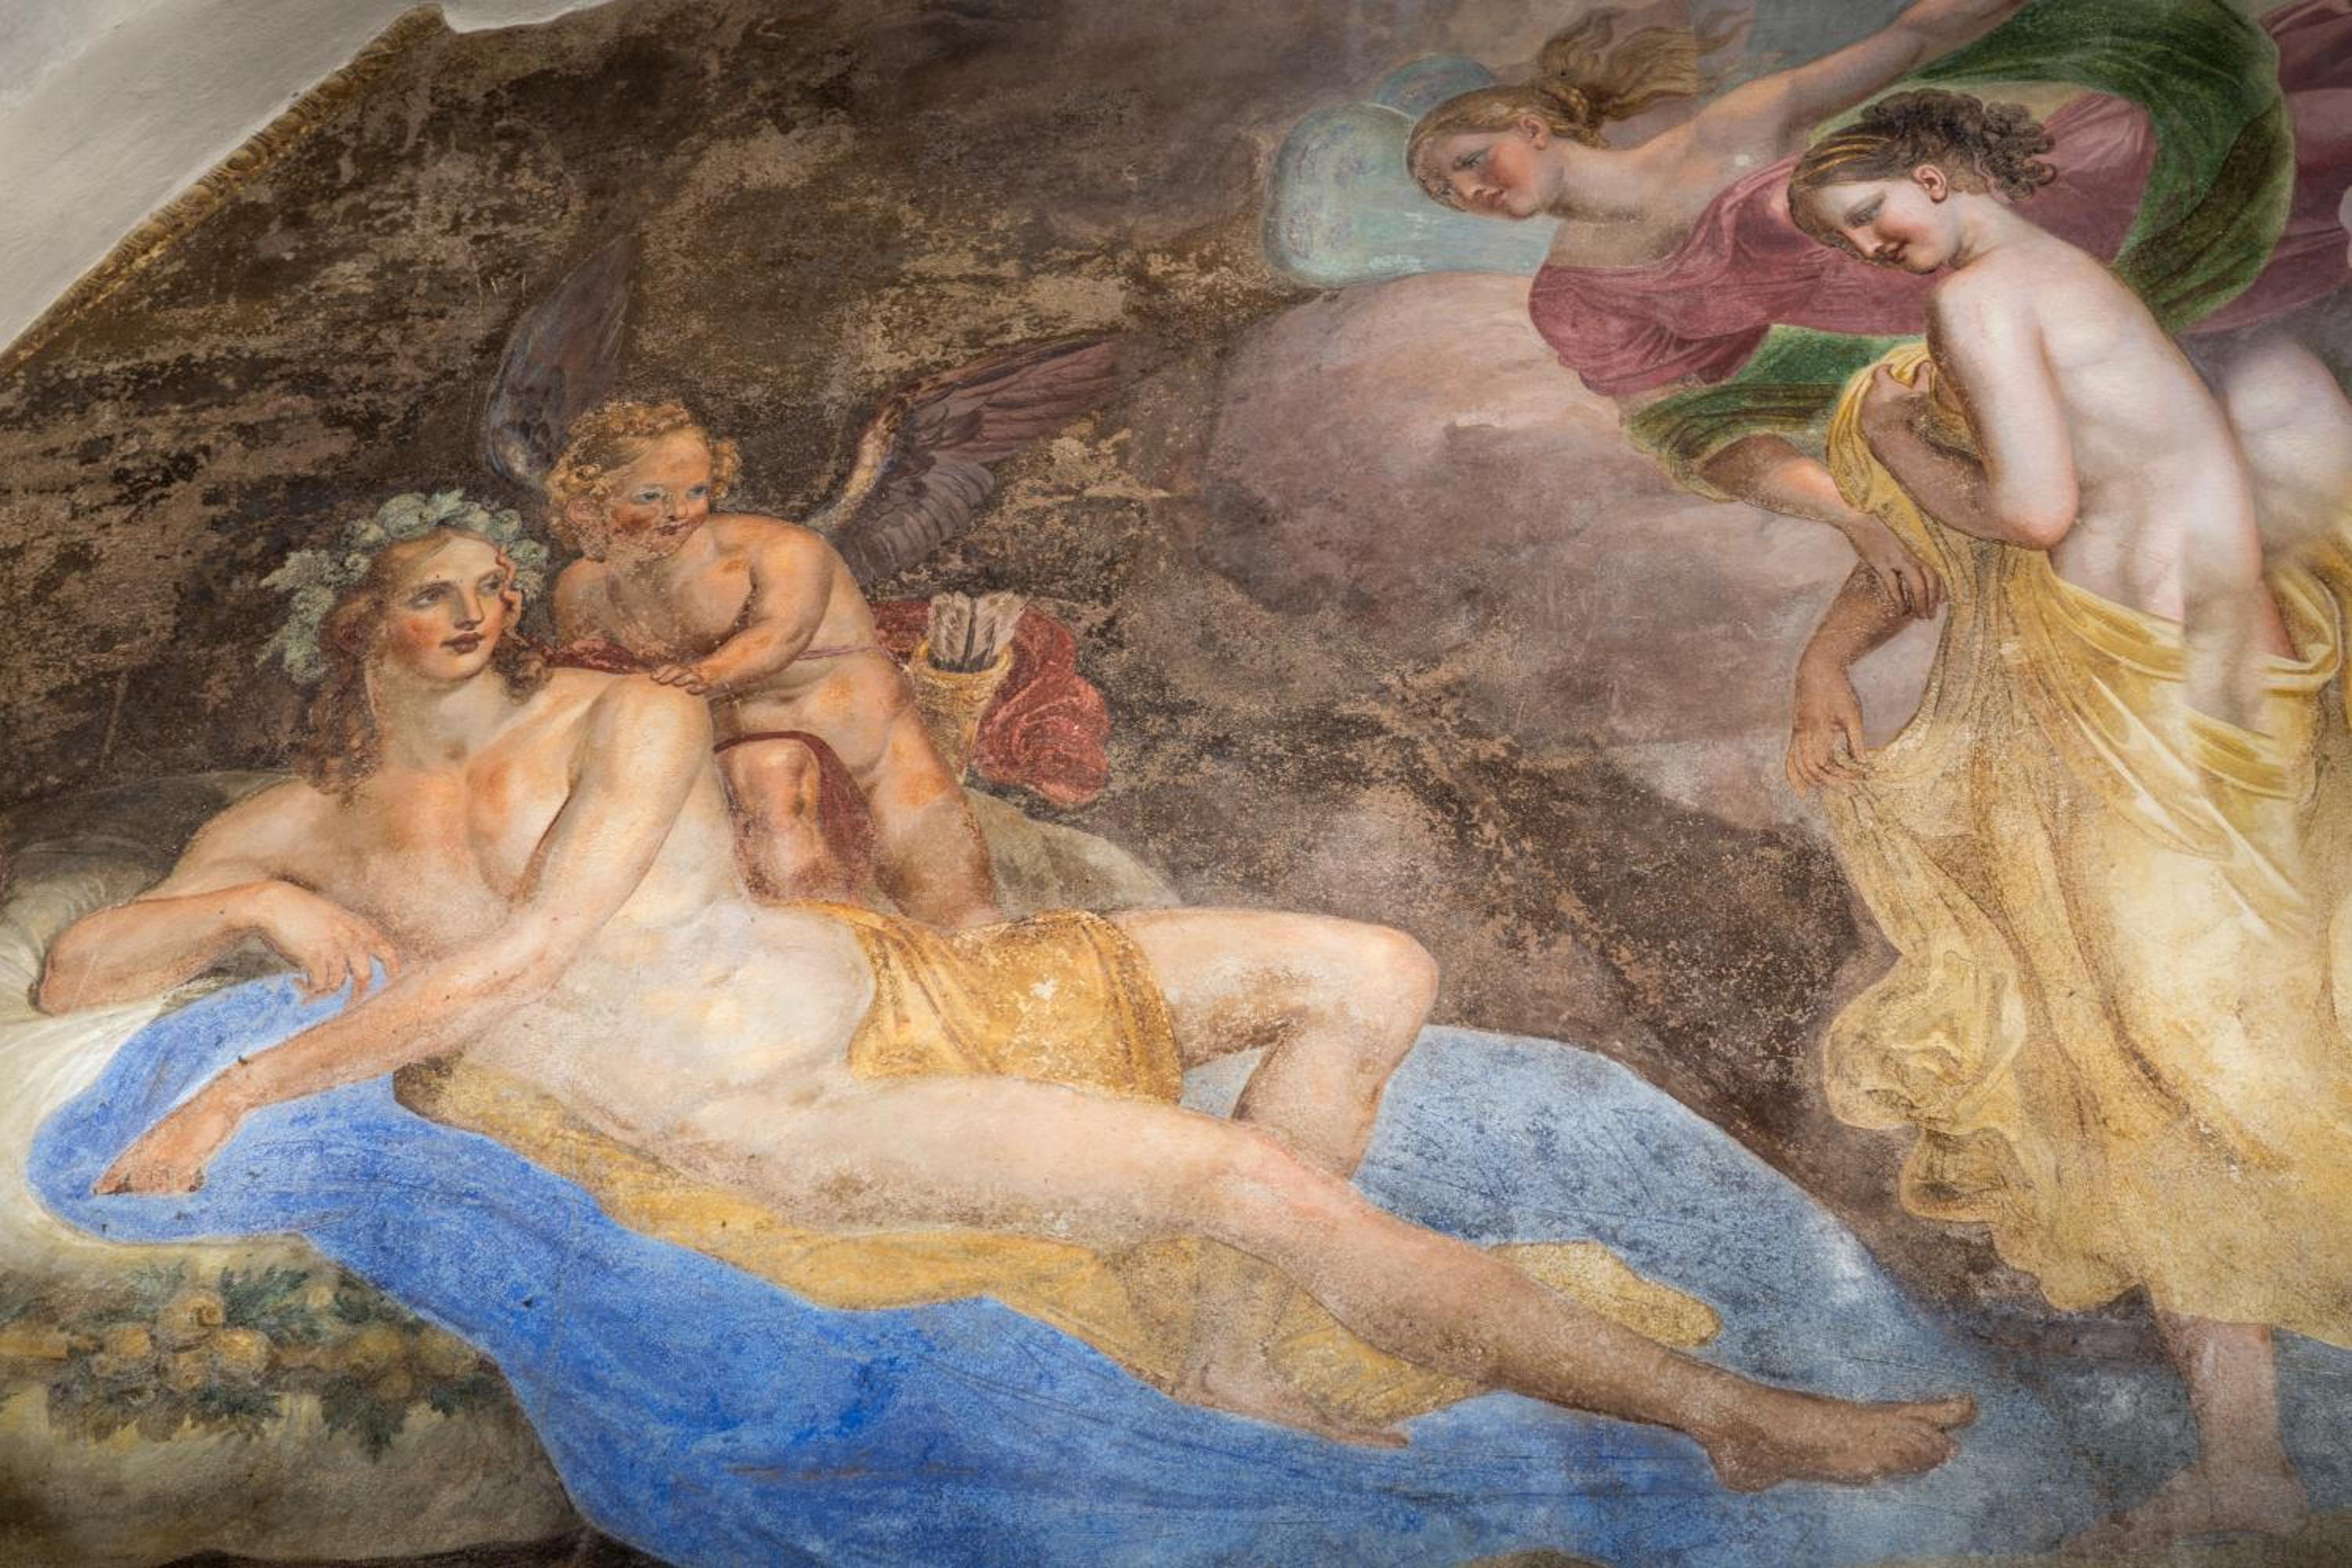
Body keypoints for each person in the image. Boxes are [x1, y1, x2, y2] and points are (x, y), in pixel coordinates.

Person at [36, 494, 1976, 1486]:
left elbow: (530, 948)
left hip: (889, 984)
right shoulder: (294, 817)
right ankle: (1727, 1414)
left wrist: (242, 1082)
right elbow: (76, 961)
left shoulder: (619, 716)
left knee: (1371, 964)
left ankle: (1230, 1344)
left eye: (488, 582)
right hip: (779, 1108)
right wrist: (262, 908)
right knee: (1245, 1176)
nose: (477, 612)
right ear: (354, 624)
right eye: (430, 591)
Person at [1780, 90, 2352, 1552]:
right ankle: (2250, 1461)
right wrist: (1832, 645)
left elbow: (2029, 515)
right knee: (2217, 1047)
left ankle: (2249, 1469)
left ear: (1931, 176)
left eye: (1871, 218)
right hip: (2216, 692)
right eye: (1849, 243)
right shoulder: (2066, 285)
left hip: (2134, 706)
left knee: (2153, 1065)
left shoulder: (1982, 300)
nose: (1874, 252)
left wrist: (1900, 443)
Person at [1406, 0, 2352, 620]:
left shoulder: (1727, 134)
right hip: (2011, 323)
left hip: (2056, 200)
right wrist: (1850, 515)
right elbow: (1694, 430)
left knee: (2280, 144)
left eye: (1469, 161)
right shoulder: (1576, 299)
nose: (1472, 191)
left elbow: (1915, 40)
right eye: (1450, 194)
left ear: (1530, 125)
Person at [546, 399, 1002, 927]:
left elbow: (780, 634)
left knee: (962, 915)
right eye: (651, 496)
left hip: (872, 757)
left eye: (696, 491)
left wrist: (705, 674)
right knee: (792, 909)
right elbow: (590, 683)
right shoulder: (583, 589)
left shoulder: (779, 549)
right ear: (588, 508)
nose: (679, 512)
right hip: (738, 774)